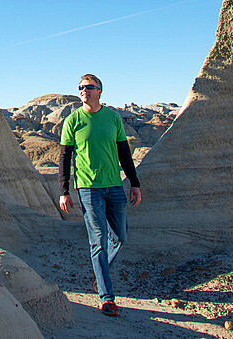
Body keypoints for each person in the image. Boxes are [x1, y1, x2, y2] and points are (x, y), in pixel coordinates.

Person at [59, 74, 141, 317]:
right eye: (81, 87)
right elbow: (64, 158)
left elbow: (124, 153)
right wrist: (64, 191)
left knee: (120, 238)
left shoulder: (113, 118)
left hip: (114, 187)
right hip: (88, 188)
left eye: (88, 87)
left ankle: (99, 275)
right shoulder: (72, 121)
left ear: (100, 91)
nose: (83, 90)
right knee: (98, 240)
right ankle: (107, 298)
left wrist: (134, 184)